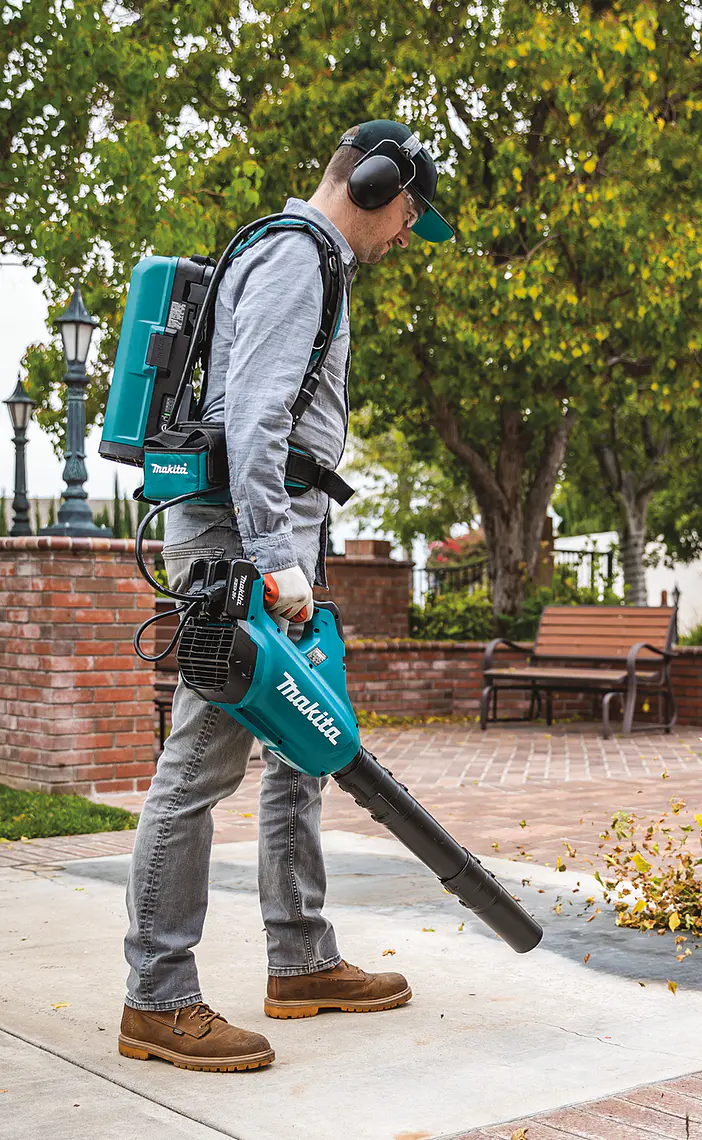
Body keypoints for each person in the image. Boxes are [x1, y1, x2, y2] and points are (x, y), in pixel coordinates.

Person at [119, 120, 454, 1073]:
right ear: (381, 182)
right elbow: (258, 417)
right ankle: (158, 995)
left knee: (301, 745)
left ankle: (300, 959)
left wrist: (293, 548)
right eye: (410, 215)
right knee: (200, 766)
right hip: (238, 540)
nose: (405, 237)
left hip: (271, 533)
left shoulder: (314, 264)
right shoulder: (297, 257)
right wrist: (277, 560)